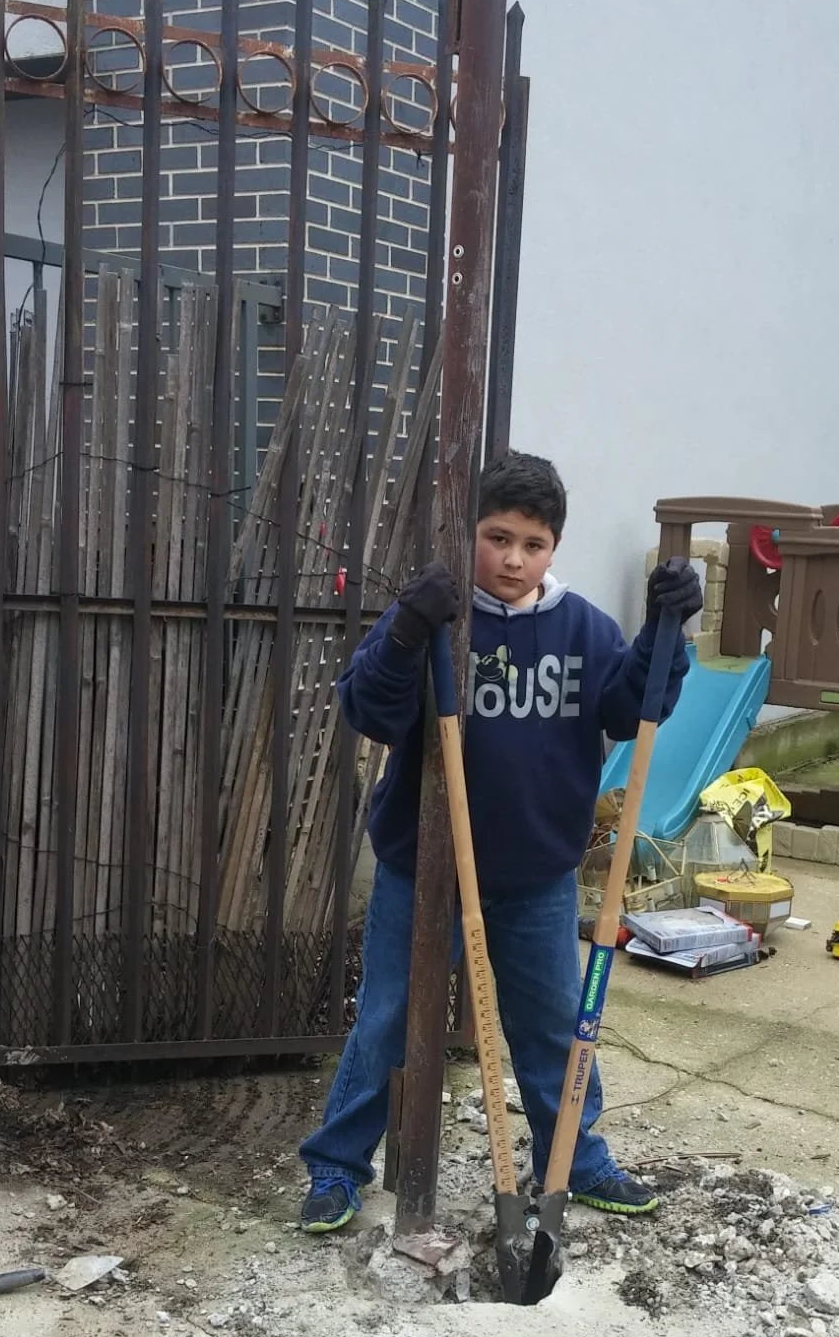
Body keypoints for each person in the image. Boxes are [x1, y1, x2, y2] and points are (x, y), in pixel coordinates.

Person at [298, 450, 703, 1232]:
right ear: (468, 534)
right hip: (426, 869)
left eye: (532, 543)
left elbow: (630, 708)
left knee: (554, 1025)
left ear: (553, 548)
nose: (513, 559)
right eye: (496, 537)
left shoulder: (581, 627)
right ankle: (336, 1168)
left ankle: (575, 1163)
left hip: (535, 877)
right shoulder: (435, 616)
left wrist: (664, 630)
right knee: (386, 1018)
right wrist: (410, 628)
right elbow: (367, 709)